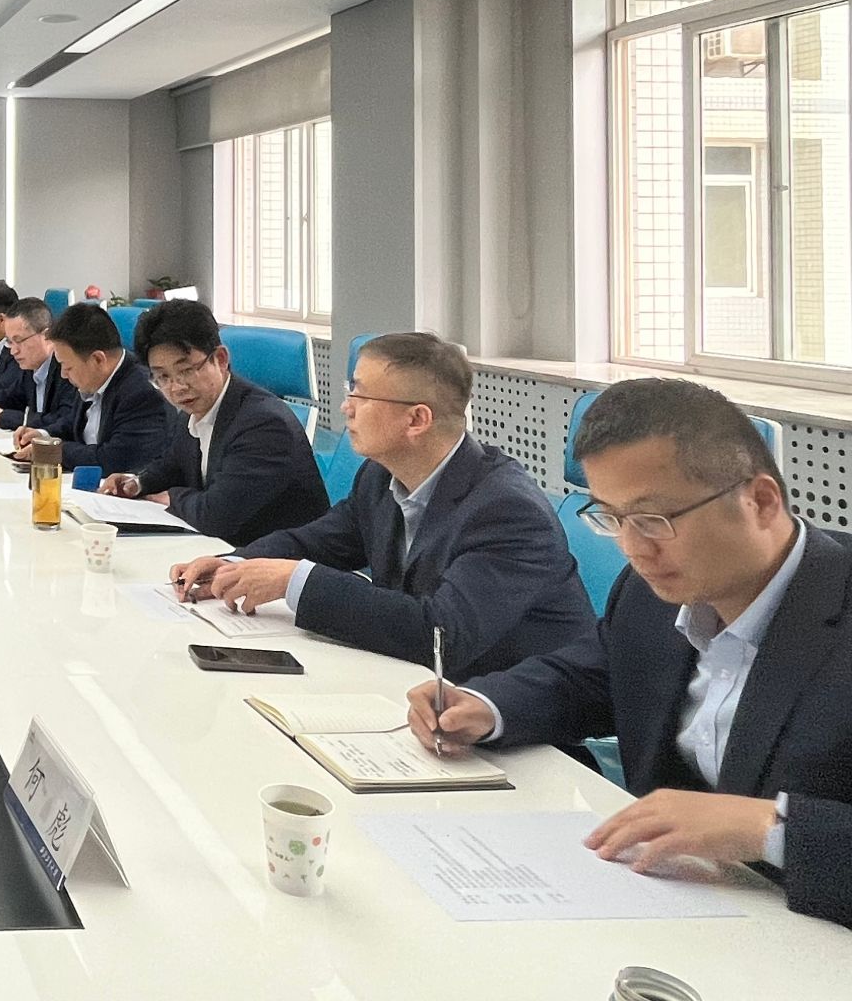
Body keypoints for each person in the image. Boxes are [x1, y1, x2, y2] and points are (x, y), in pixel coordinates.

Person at [408, 378, 852, 929]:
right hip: (676, 907)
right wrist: (485, 705)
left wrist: (769, 829)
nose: (633, 549)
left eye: (653, 520)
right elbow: (594, 676)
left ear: (760, 502)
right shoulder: (650, 593)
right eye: (613, 519)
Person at [170, 332, 594, 679]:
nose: (346, 407)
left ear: (417, 420)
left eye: (360, 395)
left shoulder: (505, 510)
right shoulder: (379, 476)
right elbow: (320, 541)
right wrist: (234, 563)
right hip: (420, 689)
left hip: (510, 720)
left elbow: (440, 635)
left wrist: (295, 580)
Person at [100, 299, 326, 543]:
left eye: (186, 371)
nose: (176, 388)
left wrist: (173, 497)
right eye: (163, 377)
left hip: (276, 556)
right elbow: (174, 465)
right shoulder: (194, 409)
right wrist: (138, 482)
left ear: (220, 359)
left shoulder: (265, 424)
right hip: (226, 547)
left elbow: (217, 516)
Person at [10, 303, 172, 473]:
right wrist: (43, 436)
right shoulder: (93, 379)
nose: (64, 374)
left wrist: (52, 451)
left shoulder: (141, 392)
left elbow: (115, 459)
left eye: (68, 367)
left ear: (98, 360)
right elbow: (75, 424)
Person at [0, 297, 74, 431]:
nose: (13, 351)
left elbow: (63, 421)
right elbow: (12, 395)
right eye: (9, 342)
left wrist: (4, 417)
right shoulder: (31, 367)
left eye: (19, 340)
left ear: (47, 336)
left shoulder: (67, 369)